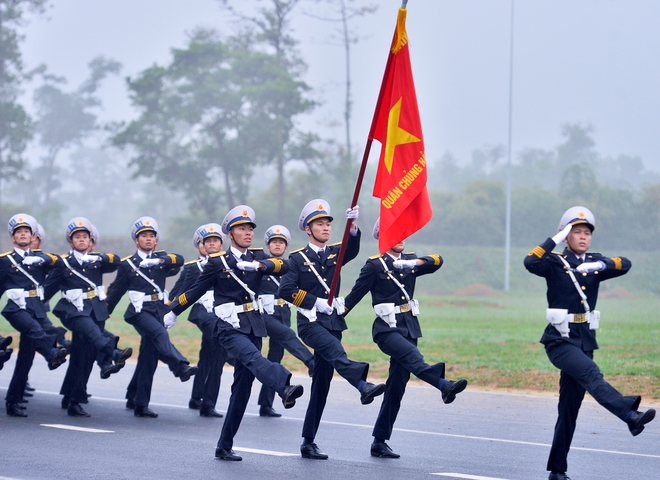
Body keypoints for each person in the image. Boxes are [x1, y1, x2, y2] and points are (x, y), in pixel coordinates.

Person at [524, 206, 655, 480]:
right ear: (566, 235)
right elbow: (530, 262)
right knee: (592, 375)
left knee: (569, 409)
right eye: (576, 232)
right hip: (560, 341)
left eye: (586, 233)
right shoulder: (554, 262)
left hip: (584, 340)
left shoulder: (595, 262)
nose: (583, 237)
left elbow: (626, 263)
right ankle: (629, 414)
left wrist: (601, 265)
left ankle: (557, 471)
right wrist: (554, 239)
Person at [166, 206, 304, 461]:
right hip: (228, 326)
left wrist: (260, 265)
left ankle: (224, 445)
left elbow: (284, 265)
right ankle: (283, 385)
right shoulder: (218, 262)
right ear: (230, 233)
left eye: (250, 228)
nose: (248, 233)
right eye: (242, 228)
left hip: (254, 324)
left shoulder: (258, 257)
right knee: (253, 358)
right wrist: (174, 310)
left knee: (242, 388)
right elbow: (195, 290)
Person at [344, 218, 468, 458]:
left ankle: (379, 441)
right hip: (386, 331)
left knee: (397, 386)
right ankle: (443, 384)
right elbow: (354, 296)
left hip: (409, 327)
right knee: (413, 356)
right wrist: (332, 318)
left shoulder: (409, 261)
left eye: (403, 233)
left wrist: (414, 262)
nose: (401, 238)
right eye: (395, 234)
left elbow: (438, 261)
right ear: (384, 238)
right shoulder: (374, 266)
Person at [279, 199, 386, 460]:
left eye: (328, 223)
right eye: (319, 223)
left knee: (322, 385)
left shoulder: (334, 252)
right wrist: (315, 302)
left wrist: (353, 228)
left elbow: (352, 250)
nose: (325, 227)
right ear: (308, 228)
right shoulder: (296, 259)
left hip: (333, 323)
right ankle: (361, 385)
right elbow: (285, 290)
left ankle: (308, 441)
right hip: (310, 323)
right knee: (335, 350)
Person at [106, 216, 197, 418]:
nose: (148, 239)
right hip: (140, 311)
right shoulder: (128, 264)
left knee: (149, 356)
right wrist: (103, 312)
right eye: (143, 236)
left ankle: (137, 400)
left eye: (151, 236)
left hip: (158, 309)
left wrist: (159, 260)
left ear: (156, 241)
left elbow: (179, 260)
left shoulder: (162, 261)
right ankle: (180, 367)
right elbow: (116, 291)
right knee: (158, 334)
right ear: (136, 241)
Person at [44, 217, 132, 417]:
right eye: (77, 237)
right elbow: (48, 290)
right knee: (93, 337)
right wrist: (37, 309)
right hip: (74, 311)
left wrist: (99, 258)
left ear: (91, 240)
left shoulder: (96, 262)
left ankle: (72, 398)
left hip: (96, 311)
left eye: (85, 236)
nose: (82, 240)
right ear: (71, 241)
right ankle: (113, 353)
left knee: (84, 357)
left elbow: (116, 261)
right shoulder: (63, 263)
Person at [1, 214, 68, 417]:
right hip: (16, 309)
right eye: (18, 232)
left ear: (33, 236)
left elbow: (61, 264)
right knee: (34, 329)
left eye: (26, 232)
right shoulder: (5, 261)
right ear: (13, 238)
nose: (22, 235)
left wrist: (43, 257)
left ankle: (13, 401)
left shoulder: (41, 260)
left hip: (36, 308)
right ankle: (51, 353)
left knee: (26, 358)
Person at [255, 224, 315, 418]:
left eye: (281, 242)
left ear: (286, 246)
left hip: (283, 313)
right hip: (264, 315)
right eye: (274, 242)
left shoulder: (290, 267)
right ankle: (311, 361)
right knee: (288, 336)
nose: (277, 245)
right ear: (268, 245)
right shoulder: (261, 264)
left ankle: (266, 403)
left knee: (275, 358)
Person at [169, 223, 227, 418]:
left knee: (208, 355)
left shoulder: (227, 263)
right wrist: (168, 312)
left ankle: (196, 397)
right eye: (206, 242)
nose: (210, 245)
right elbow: (178, 291)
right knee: (219, 352)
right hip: (202, 312)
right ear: (199, 245)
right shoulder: (193, 268)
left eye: (215, 241)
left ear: (221, 244)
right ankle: (208, 405)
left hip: (222, 313)